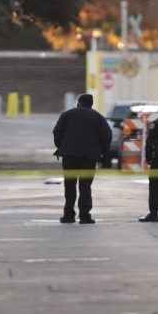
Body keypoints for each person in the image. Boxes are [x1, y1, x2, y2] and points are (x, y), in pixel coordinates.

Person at [52, 93, 112, 224]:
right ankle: (85, 216)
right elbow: (107, 136)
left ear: (78, 102)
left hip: (69, 156)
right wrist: (102, 152)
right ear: (91, 104)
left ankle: (68, 215)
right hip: (89, 157)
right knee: (85, 186)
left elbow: (57, 132)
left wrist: (62, 147)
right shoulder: (98, 117)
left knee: (69, 185)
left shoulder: (67, 115)